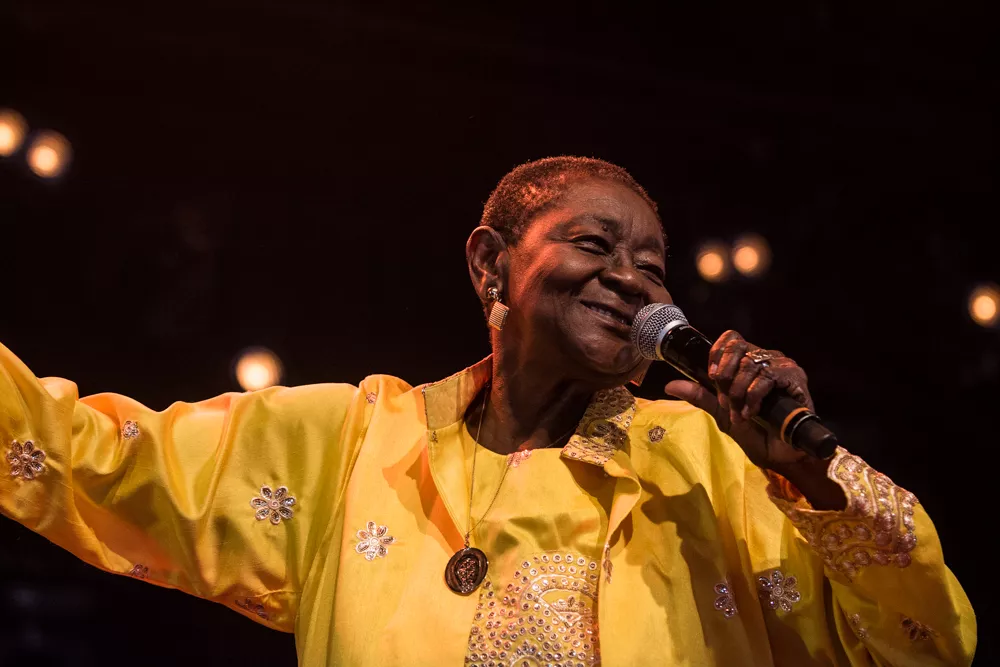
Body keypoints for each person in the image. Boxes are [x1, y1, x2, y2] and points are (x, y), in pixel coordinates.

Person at [0, 157, 975, 666]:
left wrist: (811, 476)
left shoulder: (702, 464)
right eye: (596, 242)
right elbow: (87, 456)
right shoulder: (348, 444)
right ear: (489, 264)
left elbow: (920, 644)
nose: (632, 281)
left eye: (652, 264)